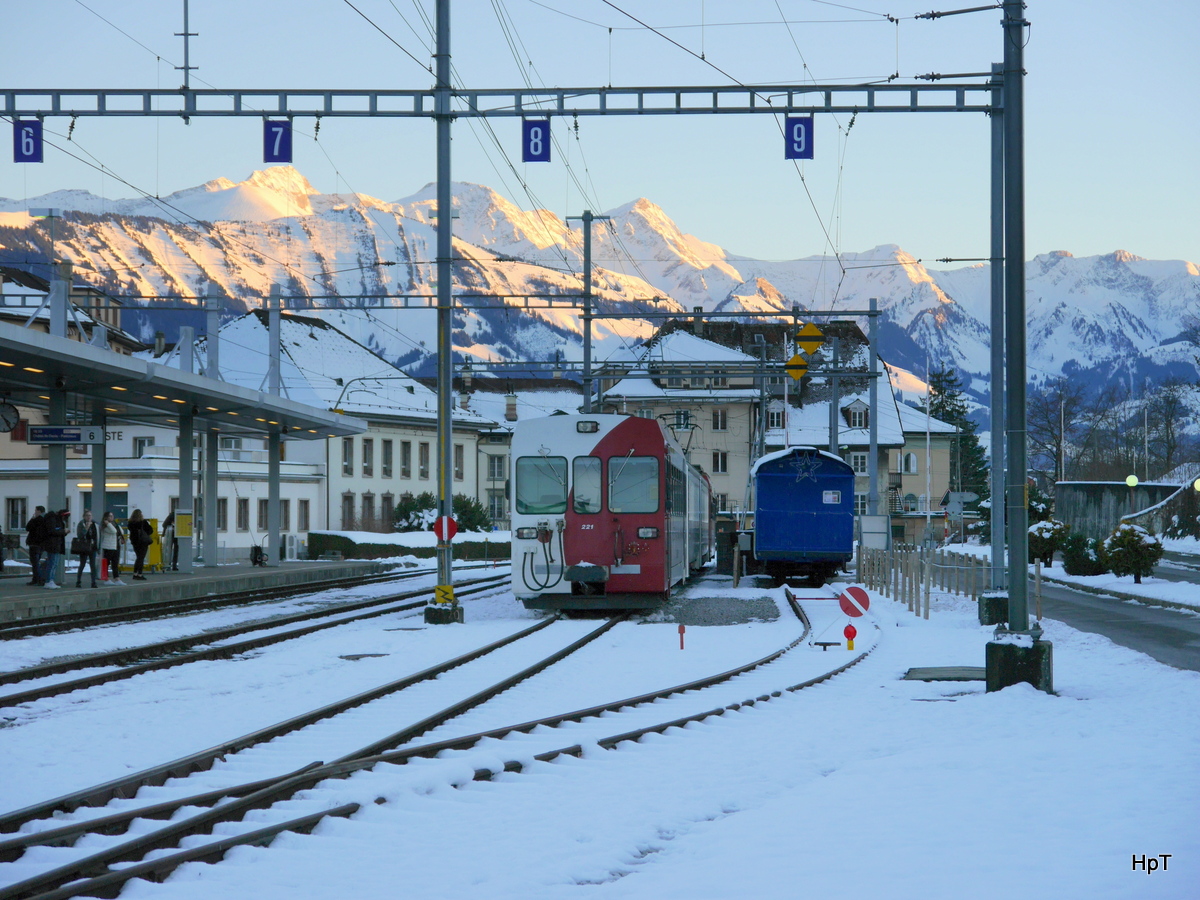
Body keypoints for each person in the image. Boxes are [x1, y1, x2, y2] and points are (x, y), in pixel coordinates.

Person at [40, 508, 68, 590]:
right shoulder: (52, 519)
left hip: (56, 544)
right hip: (53, 545)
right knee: (52, 564)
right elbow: (52, 531)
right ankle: (49, 580)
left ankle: (50, 580)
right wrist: (63, 531)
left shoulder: (55, 519)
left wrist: (63, 532)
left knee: (53, 564)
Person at [74, 509, 100, 589]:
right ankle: (78, 581)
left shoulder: (95, 524)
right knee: (82, 564)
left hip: (93, 547)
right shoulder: (81, 524)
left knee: (93, 565)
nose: (89, 517)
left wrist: (98, 546)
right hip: (84, 547)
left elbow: (98, 535)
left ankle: (93, 582)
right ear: (84, 516)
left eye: (90, 515)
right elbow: (80, 535)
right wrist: (86, 527)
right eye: (87, 515)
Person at [99, 511, 126, 586]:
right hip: (108, 546)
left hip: (116, 545)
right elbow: (114, 531)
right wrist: (107, 523)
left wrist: (114, 525)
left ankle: (117, 578)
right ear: (106, 517)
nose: (112, 517)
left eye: (112, 516)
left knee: (115, 563)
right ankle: (106, 578)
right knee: (106, 563)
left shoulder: (114, 524)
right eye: (110, 516)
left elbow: (121, 531)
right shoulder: (105, 525)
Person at [127, 509, 153, 580]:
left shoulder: (130, 523)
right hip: (143, 542)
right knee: (141, 558)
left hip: (135, 542)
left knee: (138, 557)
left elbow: (131, 530)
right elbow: (150, 530)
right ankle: (140, 574)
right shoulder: (143, 522)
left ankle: (135, 573)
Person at [25, 505, 46, 586]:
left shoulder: (36, 520)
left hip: (34, 544)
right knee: (37, 561)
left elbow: (28, 528)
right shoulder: (46, 520)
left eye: (35, 510)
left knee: (35, 563)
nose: (34, 512)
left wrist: (32, 518)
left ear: (39, 511)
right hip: (42, 544)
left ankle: (37, 579)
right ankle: (39, 579)